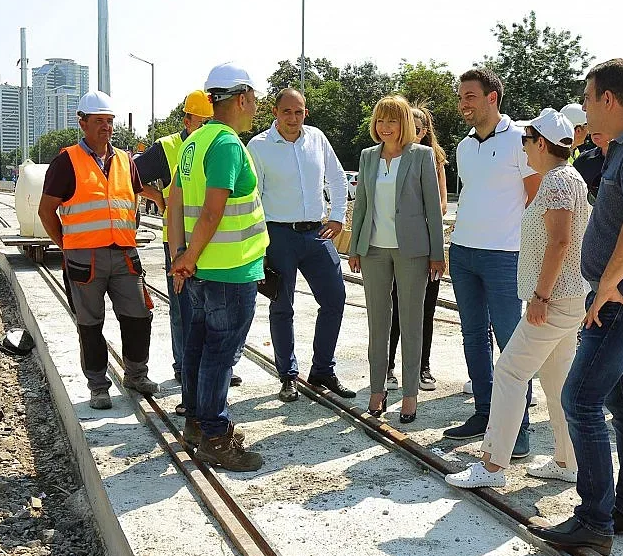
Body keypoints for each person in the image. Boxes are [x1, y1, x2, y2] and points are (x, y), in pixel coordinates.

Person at [529, 59, 623, 556]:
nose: (586, 108)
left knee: (580, 400)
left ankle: (594, 520)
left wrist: (606, 287)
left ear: (609, 100)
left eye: (589, 97)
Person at [445, 109, 589, 488]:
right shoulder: (568, 177)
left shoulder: (556, 182)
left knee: (508, 372)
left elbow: (560, 241)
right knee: (557, 382)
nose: (523, 147)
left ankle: (493, 466)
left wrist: (540, 296)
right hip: (569, 298)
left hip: (555, 300)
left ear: (541, 143)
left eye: (526, 141)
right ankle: (567, 461)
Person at [168, 63, 269, 472]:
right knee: (219, 354)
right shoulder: (227, 143)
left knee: (198, 346)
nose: (256, 108)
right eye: (255, 100)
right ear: (241, 98)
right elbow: (213, 210)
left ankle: (196, 421)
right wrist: (188, 257)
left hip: (200, 272)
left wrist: (180, 256)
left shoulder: (194, 141)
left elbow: (174, 201)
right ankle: (214, 435)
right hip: (229, 271)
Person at [443, 69, 541, 458]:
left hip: (505, 256)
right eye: (461, 97)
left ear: (492, 97)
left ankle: (519, 429)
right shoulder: (464, 147)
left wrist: (524, 251)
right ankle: (484, 413)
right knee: (472, 337)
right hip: (465, 253)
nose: (463, 103)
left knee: (511, 343)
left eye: (470, 96)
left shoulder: (520, 140)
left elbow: (534, 200)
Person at [38, 91, 157, 410]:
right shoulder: (67, 161)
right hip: (84, 259)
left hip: (124, 255)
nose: (106, 127)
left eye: (109, 121)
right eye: (99, 121)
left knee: (138, 315)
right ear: (83, 123)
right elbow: (46, 210)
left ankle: (136, 373)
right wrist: (66, 245)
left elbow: (133, 197)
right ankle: (98, 386)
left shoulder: (124, 160)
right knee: (90, 324)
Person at [134, 91, 242, 411]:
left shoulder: (222, 145)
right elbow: (130, 175)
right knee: (185, 309)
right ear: (187, 120)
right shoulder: (168, 148)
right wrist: (158, 198)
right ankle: (184, 368)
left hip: (216, 243)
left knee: (217, 309)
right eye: (203, 121)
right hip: (180, 243)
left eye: (213, 120)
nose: (210, 126)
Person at [247, 88, 355, 403]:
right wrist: (259, 242)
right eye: (286, 112)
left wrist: (337, 217)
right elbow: (254, 196)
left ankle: (322, 369)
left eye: (298, 112)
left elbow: (337, 178)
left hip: (316, 234)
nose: (293, 118)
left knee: (335, 298)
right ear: (275, 113)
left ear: (305, 112)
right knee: (282, 306)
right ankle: (288, 376)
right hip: (278, 235)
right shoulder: (260, 146)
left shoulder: (317, 139)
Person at [348, 96, 445, 423]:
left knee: (412, 321)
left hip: (413, 252)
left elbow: (433, 208)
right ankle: (377, 389)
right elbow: (361, 204)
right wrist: (354, 247)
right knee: (378, 322)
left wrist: (437, 252)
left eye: (391, 121)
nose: (384, 127)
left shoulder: (422, 156)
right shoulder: (367, 157)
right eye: (379, 121)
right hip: (374, 249)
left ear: (403, 123)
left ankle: (409, 394)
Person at [385, 104, 448, 392]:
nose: (416, 132)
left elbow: (442, 203)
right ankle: (388, 367)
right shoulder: (390, 157)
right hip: (398, 245)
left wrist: (425, 219)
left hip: (425, 244)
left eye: (421, 128)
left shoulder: (433, 159)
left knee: (426, 309)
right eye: (412, 126)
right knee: (395, 308)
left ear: (425, 132)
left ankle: (423, 366)